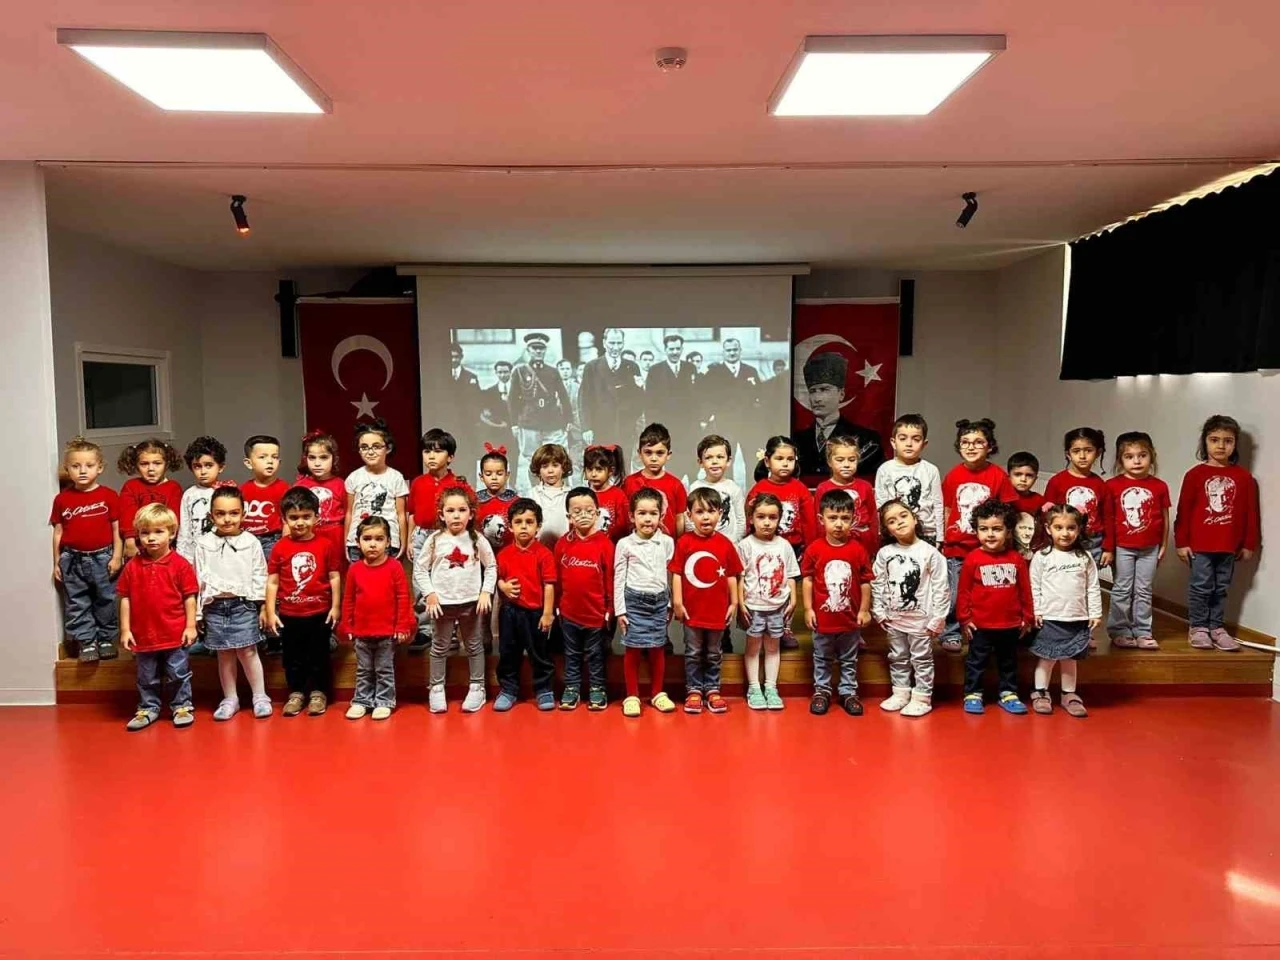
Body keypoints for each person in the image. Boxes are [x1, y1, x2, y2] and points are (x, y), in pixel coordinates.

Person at [1174, 414, 1260, 652]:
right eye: (1214, 440)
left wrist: (1249, 544)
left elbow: (1251, 514)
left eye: (1228, 441)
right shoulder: (1194, 475)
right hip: (1200, 546)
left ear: (1235, 444)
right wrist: (1181, 542)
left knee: (1221, 588)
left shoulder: (1244, 478)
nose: (1221, 446)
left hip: (1229, 546)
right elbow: (1184, 511)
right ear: (1205, 442)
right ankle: (1198, 627)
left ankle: (1216, 627)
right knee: (1201, 586)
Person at [938, 419, 1019, 652]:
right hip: (957, 548)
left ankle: (985, 632)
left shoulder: (998, 476)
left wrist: (1006, 544)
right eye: (965, 442)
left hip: (988, 549)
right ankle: (951, 631)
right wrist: (943, 539)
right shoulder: (953, 475)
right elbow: (947, 509)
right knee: (955, 594)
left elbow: (1008, 513)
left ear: (990, 446)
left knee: (986, 593)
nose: (971, 447)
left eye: (978, 442)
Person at [117, 504, 198, 730]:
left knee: (178, 672)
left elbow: (190, 597)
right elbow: (125, 598)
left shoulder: (181, 565)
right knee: (146, 676)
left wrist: (190, 626)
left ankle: (182, 706)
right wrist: (125, 629)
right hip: (143, 634)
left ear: (172, 533)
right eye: (145, 533)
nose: (151, 538)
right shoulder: (132, 567)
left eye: (158, 531)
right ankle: (148, 707)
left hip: (175, 633)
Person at [415, 486, 495, 714]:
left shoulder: (477, 539)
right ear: (441, 515)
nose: (456, 515)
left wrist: (485, 592)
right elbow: (420, 569)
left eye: (462, 510)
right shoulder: (435, 540)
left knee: (474, 646)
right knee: (439, 647)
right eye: (450, 511)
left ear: (471, 513)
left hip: (471, 604)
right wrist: (430, 594)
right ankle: (436, 688)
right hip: (442, 605)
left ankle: (477, 687)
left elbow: (491, 566)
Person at [194, 487, 270, 721]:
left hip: (243, 604)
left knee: (248, 651)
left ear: (243, 514)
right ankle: (230, 698)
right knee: (224, 654)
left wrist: (263, 606)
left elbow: (260, 574)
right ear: (211, 516)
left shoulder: (251, 541)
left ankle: (260, 697)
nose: (227, 519)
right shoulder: (203, 543)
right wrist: (198, 613)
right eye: (221, 514)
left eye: (234, 513)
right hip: (215, 606)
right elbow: (198, 578)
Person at [263, 487, 340, 718]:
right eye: (294, 517)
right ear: (284, 519)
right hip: (289, 614)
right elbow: (273, 582)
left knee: (319, 655)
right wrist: (270, 611)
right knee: (292, 657)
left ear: (316, 517)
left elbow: (334, 577)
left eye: (306, 516)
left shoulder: (326, 545)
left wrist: (336, 607)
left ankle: (318, 692)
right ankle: (296, 692)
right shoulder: (280, 547)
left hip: (319, 613)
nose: (300, 522)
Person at [873, 498, 948, 718]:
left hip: (921, 622)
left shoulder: (930, 553)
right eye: (891, 521)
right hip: (894, 619)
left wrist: (938, 618)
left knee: (921, 659)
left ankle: (922, 697)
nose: (899, 522)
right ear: (887, 529)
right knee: (897, 656)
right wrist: (879, 611)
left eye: (903, 516)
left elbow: (941, 588)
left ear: (915, 518)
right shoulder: (885, 554)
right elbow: (877, 583)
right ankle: (901, 692)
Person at [956, 500, 1033, 715]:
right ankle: (973, 693)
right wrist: (964, 619)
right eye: (984, 529)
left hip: (1010, 624)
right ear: (976, 530)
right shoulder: (973, 559)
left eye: (997, 529)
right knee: (976, 661)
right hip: (980, 625)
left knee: (1008, 661)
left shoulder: (1016, 558)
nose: (990, 534)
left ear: (1008, 531)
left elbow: (1025, 590)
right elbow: (963, 592)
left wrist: (1027, 617)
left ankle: (1008, 692)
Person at [671, 487, 742, 714]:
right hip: (692, 611)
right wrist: (678, 602)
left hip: (717, 611)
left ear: (720, 513)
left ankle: (712, 689)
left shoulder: (725, 544)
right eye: (699, 512)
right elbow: (677, 573)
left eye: (711, 511)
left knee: (714, 653)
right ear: (689, 515)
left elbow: (732, 575)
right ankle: (693, 690)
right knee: (693, 652)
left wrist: (734, 603)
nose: (705, 517)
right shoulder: (684, 542)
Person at [802, 489, 873, 716]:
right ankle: (822, 691)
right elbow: (808, 580)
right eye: (833, 518)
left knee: (849, 659)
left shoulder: (858, 550)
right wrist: (808, 609)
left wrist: (864, 610)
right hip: (823, 620)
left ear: (853, 519)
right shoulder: (814, 549)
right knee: (822, 657)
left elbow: (865, 582)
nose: (839, 524)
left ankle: (848, 692)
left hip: (850, 620)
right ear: (821, 519)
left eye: (845, 518)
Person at [51, 437, 122, 662]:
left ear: (99, 468)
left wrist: (117, 556)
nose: (82, 471)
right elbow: (58, 532)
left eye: (89, 465)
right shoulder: (62, 499)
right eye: (75, 466)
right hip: (72, 559)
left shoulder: (109, 496)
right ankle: (87, 641)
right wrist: (57, 561)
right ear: (67, 469)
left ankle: (105, 639)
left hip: (103, 557)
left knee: (105, 599)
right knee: (77, 602)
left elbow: (117, 529)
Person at [1029, 504, 1102, 718]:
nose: (1065, 533)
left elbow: (1092, 586)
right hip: (1050, 618)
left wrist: (1095, 613)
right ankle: (1040, 692)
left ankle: (1068, 694)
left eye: (1071, 528)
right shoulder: (1042, 556)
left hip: (1076, 618)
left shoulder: (1084, 557)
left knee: (1070, 658)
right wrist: (1036, 611)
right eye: (1059, 527)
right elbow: (1034, 586)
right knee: (1047, 658)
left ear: (1078, 529)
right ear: (1048, 528)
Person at [405, 428, 474, 652]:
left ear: (450, 457)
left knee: (447, 581)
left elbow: (469, 512)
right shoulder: (418, 482)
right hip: (422, 536)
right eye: (427, 451)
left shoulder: (458, 483)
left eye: (438, 451)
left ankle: (449, 631)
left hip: (448, 537)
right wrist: (410, 540)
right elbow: (412, 514)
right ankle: (425, 629)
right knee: (421, 583)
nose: (431, 456)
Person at [342, 516, 415, 720]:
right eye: (367, 539)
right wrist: (347, 625)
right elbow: (348, 599)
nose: (373, 544)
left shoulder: (395, 567)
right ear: (358, 542)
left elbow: (403, 598)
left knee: (384, 669)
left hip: (387, 632)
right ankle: (362, 700)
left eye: (379, 539)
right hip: (361, 632)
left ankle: (384, 701)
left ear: (388, 542)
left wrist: (402, 626)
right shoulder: (355, 569)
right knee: (364, 669)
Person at [747, 435, 815, 650]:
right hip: (763, 548)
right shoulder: (758, 489)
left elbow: (809, 521)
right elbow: (750, 519)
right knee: (767, 585)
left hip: (792, 548)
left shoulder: (800, 488)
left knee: (786, 588)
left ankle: (785, 627)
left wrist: (811, 548)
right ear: (767, 461)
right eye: (779, 459)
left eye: (790, 459)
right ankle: (761, 622)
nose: (785, 463)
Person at [614, 487, 677, 718]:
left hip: (659, 602)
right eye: (642, 513)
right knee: (633, 649)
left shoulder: (667, 542)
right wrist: (620, 610)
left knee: (657, 648)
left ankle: (657, 693)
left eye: (653, 513)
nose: (648, 519)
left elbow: (670, 574)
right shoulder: (625, 544)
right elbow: (619, 577)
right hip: (634, 602)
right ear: (632, 516)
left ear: (661, 515)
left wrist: (670, 603)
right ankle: (632, 695)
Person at [1104, 432, 1170, 649]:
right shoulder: (1111, 485)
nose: (1137, 461)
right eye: (1129, 456)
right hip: (1122, 548)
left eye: (1142, 455)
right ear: (1120, 460)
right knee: (1122, 589)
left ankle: (1143, 631)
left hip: (1150, 548)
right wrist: (1109, 548)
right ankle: (1120, 630)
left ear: (1152, 456)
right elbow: (1108, 519)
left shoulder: (1160, 486)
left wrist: (1163, 545)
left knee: (1144, 590)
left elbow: (1164, 518)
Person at [736, 492, 799, 710]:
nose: (766, 522)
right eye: (761, 517)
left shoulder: (784, 545)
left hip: (778, 607)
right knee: (753, 647)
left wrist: (793, 599)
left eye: (772, 517)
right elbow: (740, 576)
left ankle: (771, 687)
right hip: (753, 606)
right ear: (751, 518)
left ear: (779, 519)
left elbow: (791, 575)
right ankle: (754, 688)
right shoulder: (745, 545)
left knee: (773, 647)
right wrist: (740, 602)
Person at [494, 498, 558, 712]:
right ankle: (508, 689)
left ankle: (544, 689)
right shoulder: (504, 554)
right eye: (518, 522)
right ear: (510, 526)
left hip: (535, 613)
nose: (524, 527)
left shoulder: (544, 554)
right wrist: (503, 586)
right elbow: (497, 578)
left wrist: (547, 613)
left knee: (539, 653)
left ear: (538, 526)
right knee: (508, 653)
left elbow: (549, 585)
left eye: (529, 522)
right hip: (510, 612)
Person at [555, 487, 614, 711]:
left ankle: (598, 688)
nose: (583, 515)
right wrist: (558, 605)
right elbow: (557, 580)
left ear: (597, 513)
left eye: (589, 511)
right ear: (569, 516)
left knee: (596, 654)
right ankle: (572, 687)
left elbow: (610, 579)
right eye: (577, 511)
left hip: (596, 614)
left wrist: (610, 609)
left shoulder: (605, 544)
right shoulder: (562, 544)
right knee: (571, 653)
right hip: (569, 613)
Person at [793, 351, 883, 480]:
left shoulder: (866, 439)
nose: (817, 398)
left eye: (824, 390)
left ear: (841, 394)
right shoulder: (797, 440)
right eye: (812, 391)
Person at [508, 332, 572, 489]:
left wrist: (568, 420)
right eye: (534, 348)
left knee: (556, 457)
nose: (538, 351)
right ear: (528, 350)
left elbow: (563, 397)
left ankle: (556, 490)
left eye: (541, 348)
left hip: (552, 423)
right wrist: (514, 424)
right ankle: (537, 491)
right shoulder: (519, 371)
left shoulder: (553, 371)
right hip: (529, 423)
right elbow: (512, 399)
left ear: (545, 350)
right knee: (533, 459)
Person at [1044, 428, 1111, 571]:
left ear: (1098, 453)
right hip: (1064, 539)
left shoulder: (1101, 485)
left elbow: (1108, 517)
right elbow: (1048, 515)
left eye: (1088, 450)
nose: (1082, 456)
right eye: (1076, 451)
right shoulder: (1056, 481)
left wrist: (1109, 548)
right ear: (1068, 454)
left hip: (1093, 541)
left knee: (1089, 580)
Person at [344, 420, 409, 562]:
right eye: (364, 447)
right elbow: (350, 512)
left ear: (388, 448)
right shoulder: (353, 477)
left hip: (388, 542)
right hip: (358, 543)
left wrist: (403, 542)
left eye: (376, 446)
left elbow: (401, 514)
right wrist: (346, 541)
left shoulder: (396, 477)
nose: (370, 452)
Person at [874, 414, 943, 544]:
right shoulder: (885, 469)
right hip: (894, 534)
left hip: (927, 533)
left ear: (924, 444)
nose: (909, 444)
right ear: (893, 442)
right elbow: (880, 504)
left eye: (916, 439)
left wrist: (940, 537)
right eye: (903, 438)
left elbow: (938, 505)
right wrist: (881, 534)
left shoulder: (931, 470)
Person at [117, 439, 184, 560]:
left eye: (157, 463)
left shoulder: (173, 488)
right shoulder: (131, 486)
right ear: (136, 465)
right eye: (144, 464)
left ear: (166, 463)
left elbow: (175, 519)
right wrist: (130, 542)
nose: (151, 469)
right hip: (137, 547)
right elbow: (126, 515)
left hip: (166, 546)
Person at [579, 328, 644, 452]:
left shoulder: (632, 367)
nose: (615, 347)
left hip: (625, 431)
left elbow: (639, 399)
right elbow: (584, 399)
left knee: (623, 463)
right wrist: (586, 428)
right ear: (604, 343)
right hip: (600, 429)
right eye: (612, 343)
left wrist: (630, 420)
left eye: (619, 343)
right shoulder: (591, 367)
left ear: (623, 343)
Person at [815, 435, 878, 561]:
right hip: (834, 544)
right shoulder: (823, 488)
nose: (846, 465)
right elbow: (819, 523)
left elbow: (873, 519)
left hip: (863, 544)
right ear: (830, 462)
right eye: (840, 460)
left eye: (851, 460)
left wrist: (874, 546)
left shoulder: (865, 487)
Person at [700, 337, 763, 461]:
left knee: (752, 460)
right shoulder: (713, 373)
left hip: (748, 424)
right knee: (725, 460)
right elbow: (706, 398)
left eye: (735, 350)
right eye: (728, 350)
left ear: (740, 350)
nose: (732, 353)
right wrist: (706, 418)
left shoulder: (750, 371)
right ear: (723, 352)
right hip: (725, 425)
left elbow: (760, 396)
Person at [295, 430, 348, 577]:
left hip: (335, 537)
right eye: (312, 458)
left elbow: (348, 513)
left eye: (323, 457)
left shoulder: (341, 485)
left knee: (335, 574)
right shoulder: (300, 485)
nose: (317, 463)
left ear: (334, 458)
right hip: (308, 534)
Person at [621, 423, 688, 539]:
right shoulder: (629, 482)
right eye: (648, 452)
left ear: (668, 455)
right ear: (640, 454)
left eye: (659, 453)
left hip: (667, 546)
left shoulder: (676, 485)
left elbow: (680, 519)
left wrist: (679, 545)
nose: (653, 458)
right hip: (636, 544)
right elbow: (625, 516)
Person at [643, 334, 699, 465]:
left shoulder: (690, 368)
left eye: (677, 349)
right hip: (666, 427)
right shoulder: (655, 370)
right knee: (672, 464)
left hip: (688, 426)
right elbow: (650, 401)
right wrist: (654, 428)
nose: (675, 352)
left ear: (682, 349)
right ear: (665, 350)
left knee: (691, 464)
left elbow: (696, 398)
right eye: (671, 349)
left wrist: (698, 422)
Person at [177, 436, 231, 566]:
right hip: (193, 555)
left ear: (221, 467)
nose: (203, 471)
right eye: (197, 466)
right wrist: (181, 556)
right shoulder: (189, 494)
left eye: (208, 465)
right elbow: (184, 527)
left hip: (220, 553)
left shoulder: (227, 492)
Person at [690, 434, 746, 544]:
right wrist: (696, 541)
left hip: (729, 544)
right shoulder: (694, 488)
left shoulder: (733, 488)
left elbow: (741, 520)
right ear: (700, 462)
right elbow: (689, 520)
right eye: (708, 458)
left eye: (720, 457)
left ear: (728, 461)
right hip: (702, 544)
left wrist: (735, 543)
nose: (714, 461)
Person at [528, 443, 573, 548]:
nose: (550, 471)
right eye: (545, 466)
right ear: (538, 470)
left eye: (555, 465)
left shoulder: (571, 495)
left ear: (563, 468)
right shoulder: (532, 495)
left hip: (566, 549)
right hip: (538, 549)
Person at [583, 444, 630, 541]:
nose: (593, 474)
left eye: (599, 469)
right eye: (590, 469)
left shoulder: (618, 495)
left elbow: (623, 526)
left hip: (612, 545)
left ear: (611, 471)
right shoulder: (583, 495)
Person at [1007, 451, 1046, 559]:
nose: (1023, 479)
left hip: (1032, 552)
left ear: (1035, 478)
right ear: (1009, 476)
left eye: (1029, 475)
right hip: (1009, 552)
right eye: (1018, 474)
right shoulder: (1005, 499)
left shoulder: (1039, 500)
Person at [450, 343, 484, 426]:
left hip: (468, 422)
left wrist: (476, 419)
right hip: (449, 420)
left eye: (456, 357)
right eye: (451, 357)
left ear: (461, 357)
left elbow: (477, 399)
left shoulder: (471, 377)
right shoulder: (442, 377)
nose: (454, 360)